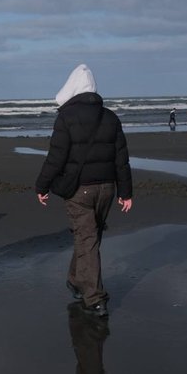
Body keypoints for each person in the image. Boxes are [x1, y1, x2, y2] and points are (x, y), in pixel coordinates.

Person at [34, 64, 133, 318]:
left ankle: (95, 299)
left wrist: (42, 185)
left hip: (79, 190)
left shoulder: (66, 118)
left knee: (87, 239)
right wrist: (125, 192)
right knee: (89, 237)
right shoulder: (110, 117)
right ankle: (76, 280)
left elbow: (56, 157)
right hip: (107, 188)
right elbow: (121, 158)